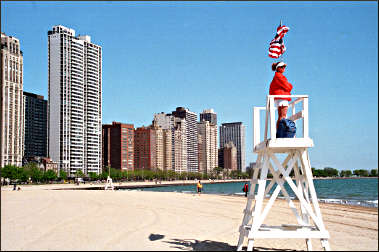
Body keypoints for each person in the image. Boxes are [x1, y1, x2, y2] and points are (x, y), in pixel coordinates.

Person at [269, 62, 293, 130]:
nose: (284, 68)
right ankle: (280, 132)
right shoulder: (279, 76)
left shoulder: (277, 76)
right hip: (282, 98)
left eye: (284, 67)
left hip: (280, 98)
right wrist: (290, 85)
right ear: (278, 68)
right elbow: (288, 87)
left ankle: (279, 131)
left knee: (281, 116)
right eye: (282, 67)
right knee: (282, 116)